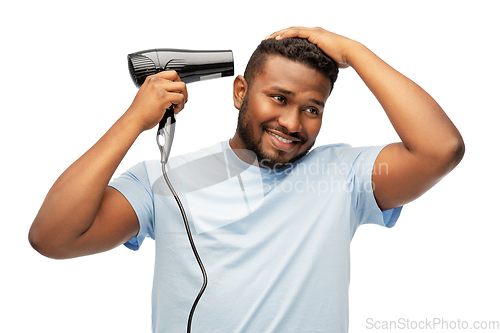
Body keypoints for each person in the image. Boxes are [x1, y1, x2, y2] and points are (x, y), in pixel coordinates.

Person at [29, 27, 464, 332]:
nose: (292, 122)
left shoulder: (344, 176)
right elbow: (53, 237)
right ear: (240, 92)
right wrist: (132, 121)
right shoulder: (166, 180)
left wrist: (353, 52)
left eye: (312, 108)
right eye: (278, 98)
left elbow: (440, 149)